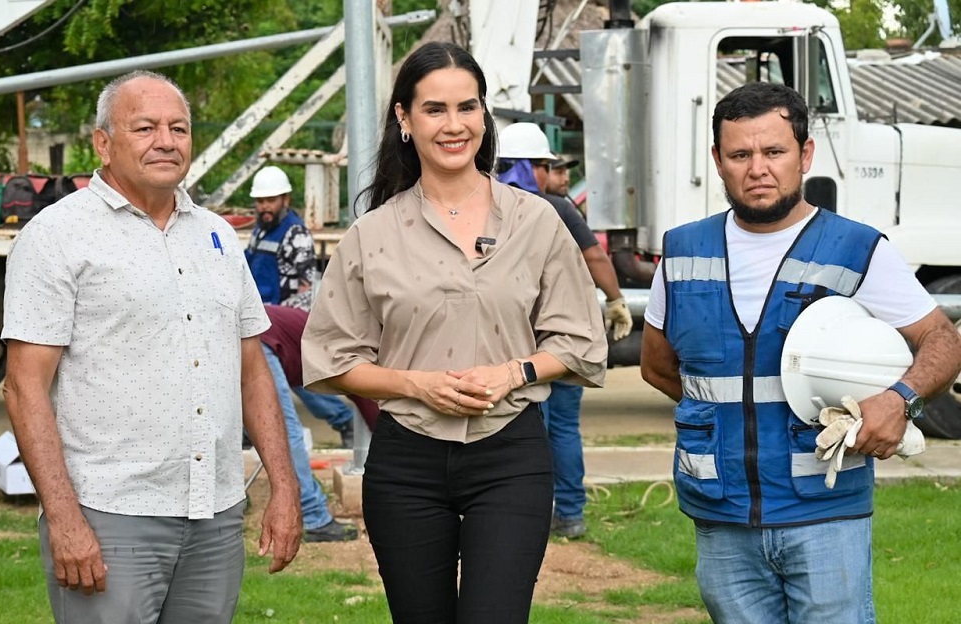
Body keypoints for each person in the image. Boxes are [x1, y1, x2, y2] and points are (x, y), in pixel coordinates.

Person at [301, 42, 607, 623]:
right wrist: (416, 385)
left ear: (484, 115)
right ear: (404, 119)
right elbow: (331, 359)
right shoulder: (373, 233)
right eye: (435, 109)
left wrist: (512, 371)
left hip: (511, 452)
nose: (454, 124)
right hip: (406, 460)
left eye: (467, 107)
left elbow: (579, 342)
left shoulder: (534, 221)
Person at [639, 82, 961, 623]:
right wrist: (725, 415)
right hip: (721, 515)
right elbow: (657, 366)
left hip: (824, 507)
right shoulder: (681, 250)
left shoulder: (856, 249)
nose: (757, 168)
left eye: (774, 152)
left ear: (805, 154)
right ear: (718, 161)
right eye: (740, 154)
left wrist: (898, 399)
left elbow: (943, 341)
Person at [1, 70, 301, 624]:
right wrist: (65, 519)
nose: (166, 140)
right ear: (103, 142)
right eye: (144, 127)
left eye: (178, 127)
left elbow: (252, 371)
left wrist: (286, 488)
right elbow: (23, 387)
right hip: (109, 514)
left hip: (214, 510)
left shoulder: (216, 236)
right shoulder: (56, 235)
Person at [496, 121, 630, 539]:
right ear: (532, 166)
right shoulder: (557, 207)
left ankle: (530, 513)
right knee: (563, 428)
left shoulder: (485, 204)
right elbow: (595, 257)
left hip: (516, 341)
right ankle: (569, 514)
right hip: (563, 340)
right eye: (542, 165)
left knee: (528, 426)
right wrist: (615, 300)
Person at [245, 165, 357, 448]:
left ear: (285, 199)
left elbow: (302, 289)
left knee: (296, 379)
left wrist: (278, 329)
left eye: (270, 200)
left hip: (281, 324)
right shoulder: (260, 231)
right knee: (283, 379)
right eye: (260, 201)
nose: (264, 207)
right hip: (259, 320)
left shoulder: (296, 235)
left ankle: (345, 419)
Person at [260, 303, 378, 542]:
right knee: (282, 430)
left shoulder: (327, 342)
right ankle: (314, 518)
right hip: (261, 341)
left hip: (259, 338)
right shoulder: (352, 351)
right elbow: (371, 405)